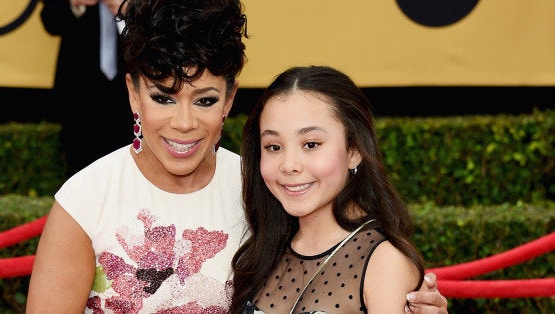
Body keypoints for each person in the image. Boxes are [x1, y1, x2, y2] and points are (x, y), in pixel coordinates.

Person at [27, 0, 448, 312]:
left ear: (230, 98)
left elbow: (337, 268)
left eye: (205, 100)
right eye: (163, 98)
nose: (185, 123)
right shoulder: (86, 199)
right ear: (133, 93)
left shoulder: (266, 186)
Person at [231, 65, 444, 313]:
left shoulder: (384, 262)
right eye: (274, 147)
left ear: (354, 151)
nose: (289, 165)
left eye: (311, 144)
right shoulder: (262, 250)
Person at [40, 0, 134, 176]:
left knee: (130, 170)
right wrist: (75, 3)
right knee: (79, 170)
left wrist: (130, 9)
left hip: (133, 90)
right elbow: (51, 21)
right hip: (79, 93)